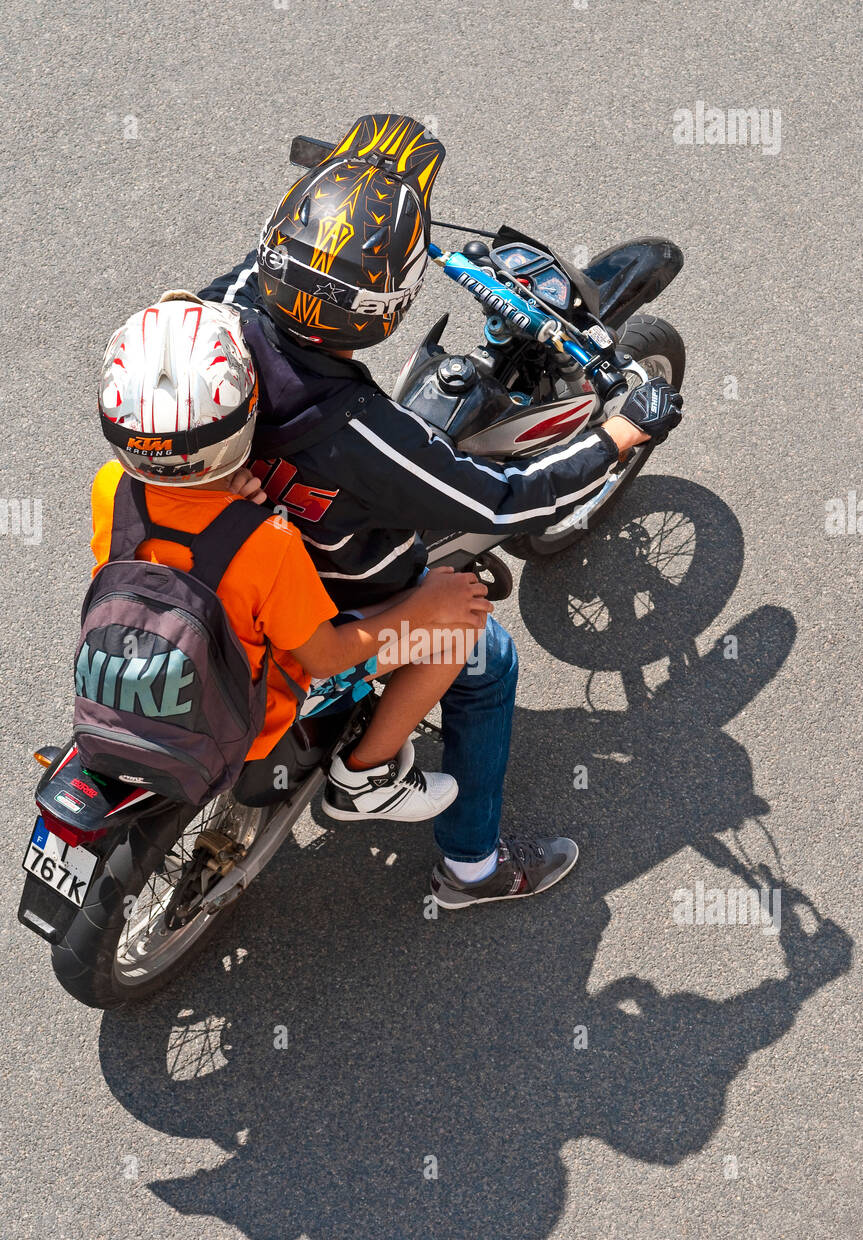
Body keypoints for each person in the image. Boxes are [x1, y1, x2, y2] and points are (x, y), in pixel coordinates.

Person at [199, 113, 684, 908]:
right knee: (484, 650)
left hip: (215, 548)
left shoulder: (220, 317)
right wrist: (622, 431)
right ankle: (464, 861)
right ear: (383, 308)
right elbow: (503, 496)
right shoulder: (361, 435)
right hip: (334, 601)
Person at [93, 290, 493, 822]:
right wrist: (427, 607)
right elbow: (325, 656)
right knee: (458, 629)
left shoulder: (110, 485)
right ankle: (366, 778)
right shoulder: (266, 542)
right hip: (257, 712)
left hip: (148, 672)